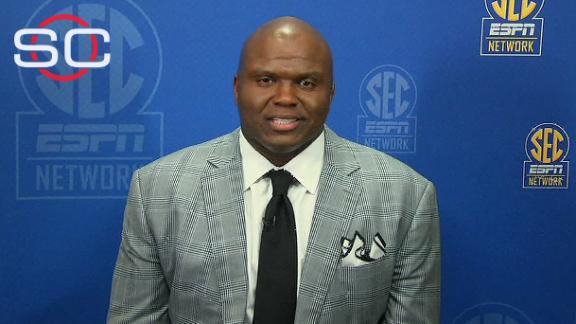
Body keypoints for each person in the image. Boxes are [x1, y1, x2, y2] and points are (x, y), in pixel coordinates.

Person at [108, 16, 441, 324]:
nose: (285, 97)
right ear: (238, 88)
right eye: (266, 80)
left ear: (332, 92)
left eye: (307, 83)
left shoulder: (405, 196)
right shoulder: (158, 190)